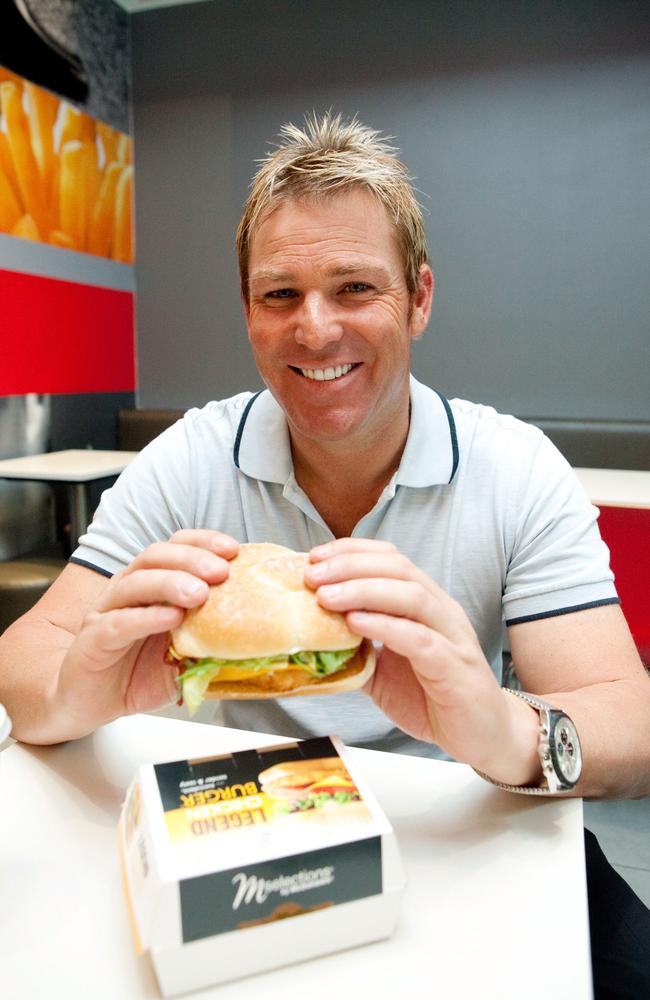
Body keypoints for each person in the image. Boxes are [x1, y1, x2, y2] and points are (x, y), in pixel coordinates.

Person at [1, 112, 649, 993]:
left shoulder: (513, 469)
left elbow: (631, 721)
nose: (315, 330)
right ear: (248, 311)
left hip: (468, 816)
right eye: (279, 296)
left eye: (354, 288)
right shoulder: (189, 458)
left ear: (419, 298)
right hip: (246, 825)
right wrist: (81, 687)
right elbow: (23, 658)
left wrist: (502, 728)